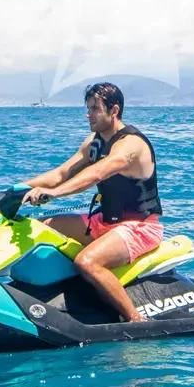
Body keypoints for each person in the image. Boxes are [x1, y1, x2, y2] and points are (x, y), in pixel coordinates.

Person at [16, 81, 163, 323]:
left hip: (139, 228)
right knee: (38, 228)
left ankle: (135, 319)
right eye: (88, 108)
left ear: (113, 111)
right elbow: (61, 173)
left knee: (86, 261)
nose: (89, 114)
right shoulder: (94, 141)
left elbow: (96, 174)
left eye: (95, 108)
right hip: (103, 222)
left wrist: (55, 193)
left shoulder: (131, 144)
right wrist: (19, 189)